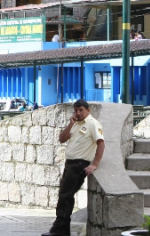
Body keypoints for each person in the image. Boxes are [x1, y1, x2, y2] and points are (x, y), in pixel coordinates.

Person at [41, 99, 104, 236]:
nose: (78, 113)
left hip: (79, 164)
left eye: (81, 110)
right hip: (70, 164)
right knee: (65, 196)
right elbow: (62, 139)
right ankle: (63, 230)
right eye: (76, 110)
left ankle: (58, 229)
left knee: (65, 196)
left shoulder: (92, 124)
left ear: (88, 110)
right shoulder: (76, 124)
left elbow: (101, 143)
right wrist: (70, 124)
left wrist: (94, 164)